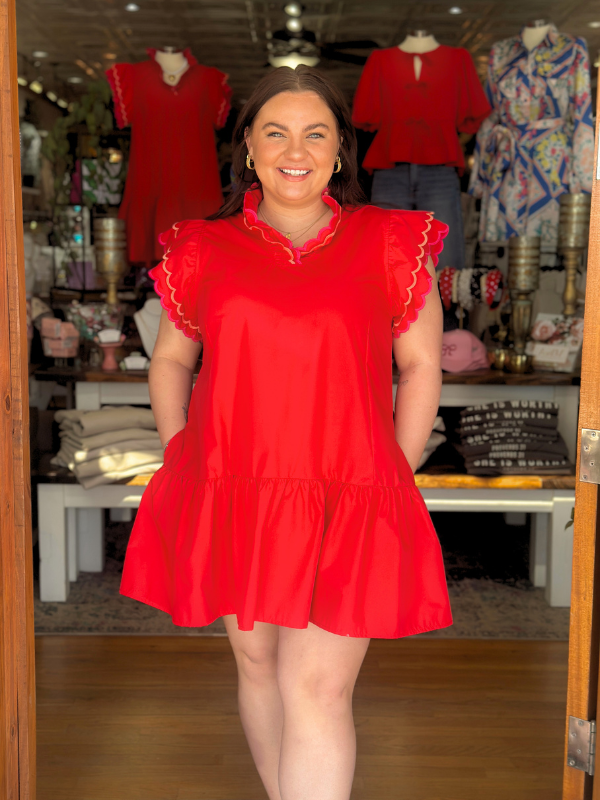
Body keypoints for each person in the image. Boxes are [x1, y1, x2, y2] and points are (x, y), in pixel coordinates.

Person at [119, 65, 453, 800]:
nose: (293, 149)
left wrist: (393, 469)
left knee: (320, 687)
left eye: (315, 133)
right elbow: (171, 361)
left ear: (340, 154)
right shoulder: (201, 250)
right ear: (247, 149)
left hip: (350, 489)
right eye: (275, 132)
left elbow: (422, 364)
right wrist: (184, 454)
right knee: (259, 664)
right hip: (237, 485)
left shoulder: (393, 241)